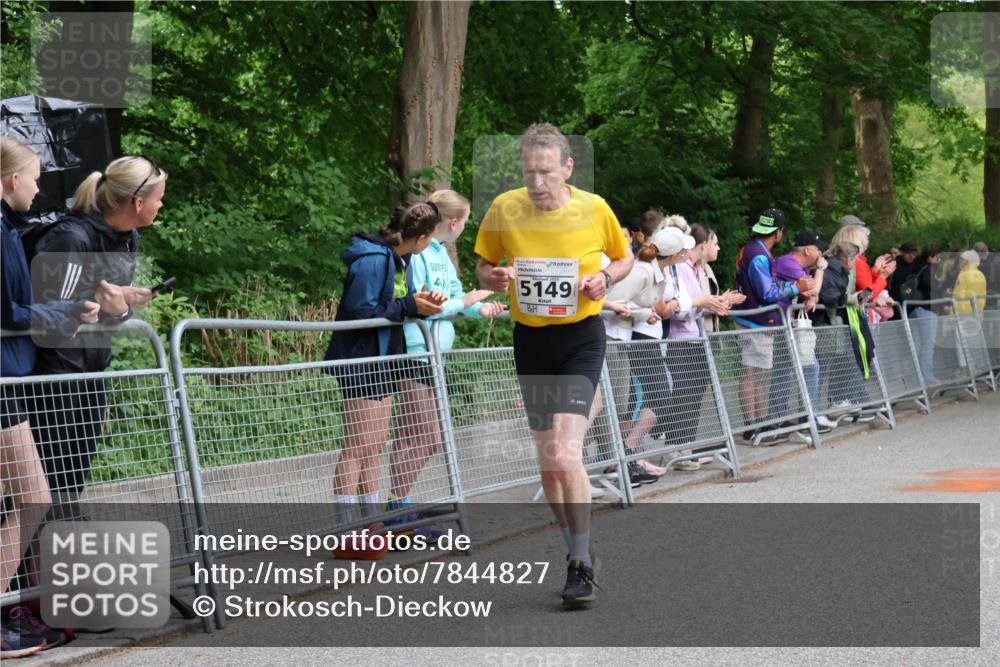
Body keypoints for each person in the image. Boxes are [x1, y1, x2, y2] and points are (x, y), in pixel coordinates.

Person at [475, 123, 633, 607]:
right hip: (531, 342)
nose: (537, 182)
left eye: (545, 172)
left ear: (568, 168)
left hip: (580, 338)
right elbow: (483, 265)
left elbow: (624, 259)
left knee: (565, 455)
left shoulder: (594, 207)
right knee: (549, 466)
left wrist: (605, 278)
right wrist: (494, 276)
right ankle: (576, 553)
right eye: (529, 173)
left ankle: (581, 563)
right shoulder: (504, 207)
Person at [0, 137, 112, 657]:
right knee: (34, 499)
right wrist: (65, 312)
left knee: (30, 499)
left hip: (13, 378)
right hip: (6, 380)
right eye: (35, 176)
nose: (40, 185)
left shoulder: (10, 228)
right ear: (11, 179)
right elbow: (9, 313)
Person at [27, 156, 162, 505]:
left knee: (74, 476)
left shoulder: (129, 239)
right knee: (43, 482)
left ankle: (63, 528)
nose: (161, 205)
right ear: (138, 202)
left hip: (92, 370)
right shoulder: (70, 238)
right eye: (159, 198)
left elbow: (109, 315)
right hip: (54, 375)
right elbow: (47, 318)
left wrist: (122, 309)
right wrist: (95, 308)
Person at [325, 201, 447, 550]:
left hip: (385, 358)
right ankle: (346, 531)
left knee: (375, 445)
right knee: (357, 447)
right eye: (430, 237)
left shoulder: (397, 259)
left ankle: (373, 524)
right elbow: (361, 312)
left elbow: (391, 306)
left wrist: (418, 304)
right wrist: (409, 306)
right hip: (361, 359)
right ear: (421, 237)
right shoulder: (373, 259)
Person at [393, 190, 503, 518]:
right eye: (465, 223)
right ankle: (396, 507)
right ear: (454, 223)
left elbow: (456, 295)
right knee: (427, 436)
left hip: (434, 354)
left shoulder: (441, 253)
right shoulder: (418, 253)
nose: (465, 229)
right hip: (415, 352)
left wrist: (480, 308)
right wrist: (464, 303)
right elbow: (423, 304)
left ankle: (400, 505)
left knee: (411, 434)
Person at [732, 209, 815, 444]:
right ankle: (753, 427)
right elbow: (766, 293)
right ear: (779, 233)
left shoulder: (752, 249)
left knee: (761, 373)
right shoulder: (758, 255)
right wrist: (796, 288)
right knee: (753, 373)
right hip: (755, 321)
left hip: (756, 320)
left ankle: (761, 424)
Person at [659, 225, 731, 467]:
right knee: (684, 397)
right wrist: (705, 304)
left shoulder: (692, 268)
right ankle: (676, 450)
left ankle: (686, 448)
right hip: (680, 340)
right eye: (715, 242)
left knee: (694, 395)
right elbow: (683, 307)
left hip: (694, 337)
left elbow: (695, 304)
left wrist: (713, 303)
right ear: (703, 244)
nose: (718, 247)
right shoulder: (681, 268)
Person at [601, 227, 668, 484]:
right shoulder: (608, 262)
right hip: (608, 336)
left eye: (626, 237)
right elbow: (615, 302)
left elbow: (628, 303)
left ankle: (622, 462)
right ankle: (615, 463)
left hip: (622, 338)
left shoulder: (627, 263)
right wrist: (645, 313)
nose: (625, 242)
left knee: (618, 406)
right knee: (605, 406)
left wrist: (643, 313)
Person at [771, 230, 834, 440]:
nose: (821, 253)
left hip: (787, 325)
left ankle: (802, 417)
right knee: (787, 372)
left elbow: (812, 295)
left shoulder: (800, 268)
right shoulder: (788, 263)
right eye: (818, 249)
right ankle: (779, 421)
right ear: (808, 250)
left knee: (804, 368)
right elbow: (814, 289)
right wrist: (821, 270)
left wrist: (812, 297)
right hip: (778, 325)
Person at [690, 224, 745, 334]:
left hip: (710, 333)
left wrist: (723, 301)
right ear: (705, 245)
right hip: (698, 334)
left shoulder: (707, 268)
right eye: (715, 244)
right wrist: (723, 300)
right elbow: (694, 304)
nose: (718, 248)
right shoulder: (692, 270)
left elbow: (706, 301)